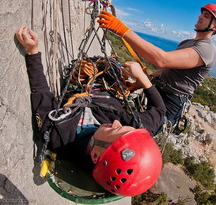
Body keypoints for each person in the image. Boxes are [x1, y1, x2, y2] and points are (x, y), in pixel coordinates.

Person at [16, 26, 165, 196]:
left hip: (86, 83)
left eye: (114, 130)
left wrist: (33, 52)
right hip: (109, 85)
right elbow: (160, 111)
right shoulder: (132, 133)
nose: (118, 123)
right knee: (110, 66)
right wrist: (142, 77)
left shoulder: (60, 136)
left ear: (95, 156)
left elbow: (41, 92)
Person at [98, 4, 216, 128]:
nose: (200, 17)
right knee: (115, 114)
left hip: (170, 102)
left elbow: (161, 60)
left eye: (206, 16)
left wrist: (121, 30)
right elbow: (166, 69)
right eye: (202, 14)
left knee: (126, 126)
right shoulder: (188, 43)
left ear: (214, 26)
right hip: (156, 91)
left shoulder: (206, 50)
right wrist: (137, 84)